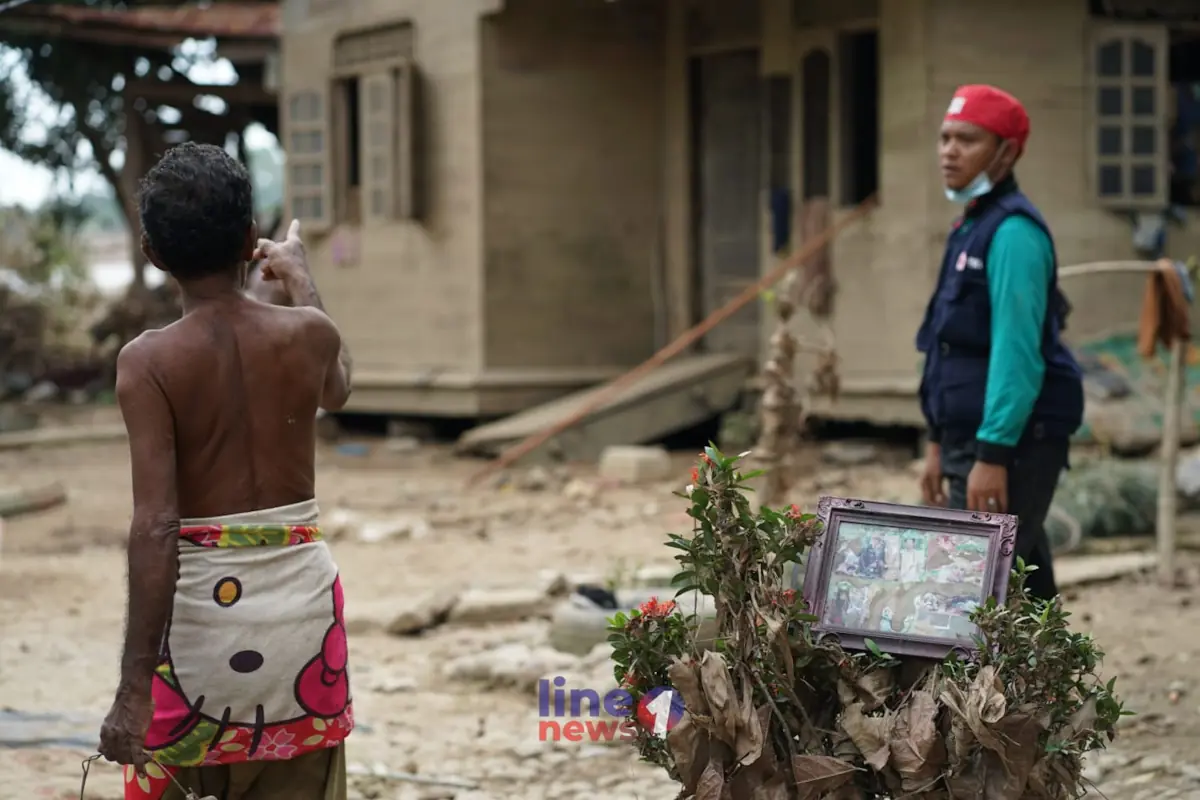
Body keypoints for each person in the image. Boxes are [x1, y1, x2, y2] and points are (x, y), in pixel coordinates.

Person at [97, 142, 355, 800]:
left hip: (197, 636)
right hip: (303, 627)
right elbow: (339, 388)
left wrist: (133, 691)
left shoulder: (147, 362)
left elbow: (155, 525)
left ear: (154, 254)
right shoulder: (310, 334)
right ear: (249, 239)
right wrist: (299, 275)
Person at [915, 85, 1084, 602]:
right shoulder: (969, 227)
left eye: (967, 139)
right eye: (945, 138)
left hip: (1016, 441)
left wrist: (993, 453)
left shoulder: (1013, 233)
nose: (949, 150)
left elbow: (1017, 353)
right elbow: (948, 348)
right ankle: (1058, 683)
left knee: (974, 593)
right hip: (970, 436)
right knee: (1020, 580)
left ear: (1006, 151)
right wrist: (938, 441)